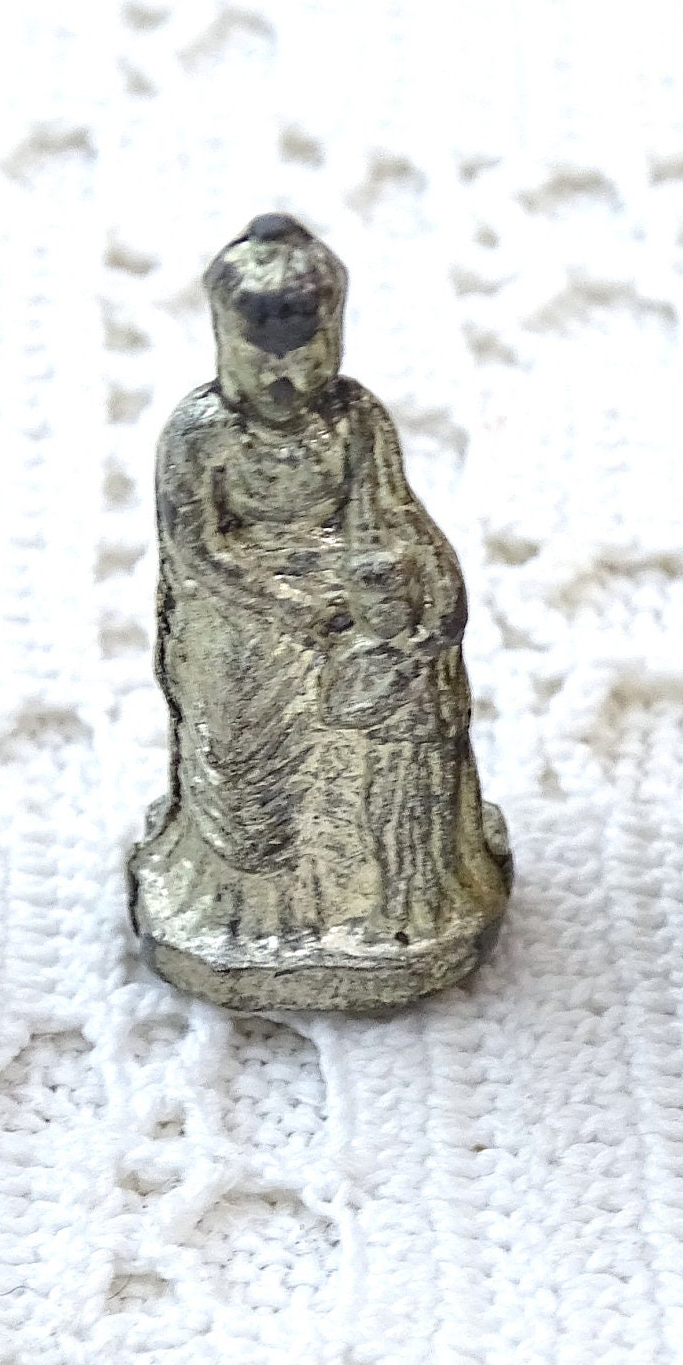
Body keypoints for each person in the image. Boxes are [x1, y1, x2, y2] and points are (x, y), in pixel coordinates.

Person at [128, 215, 510, 1011]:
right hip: (239, 619)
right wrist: (295, 610)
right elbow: (199, 553)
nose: (285, 385)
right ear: (224, 344)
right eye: (262, 364)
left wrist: (434, 594)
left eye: (307, 361)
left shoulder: (354, 420)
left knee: (408, 697)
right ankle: (248, 921)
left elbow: (389, 516)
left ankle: (394, 904)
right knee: (242, 759)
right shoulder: (201, 436)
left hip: (345, 604)